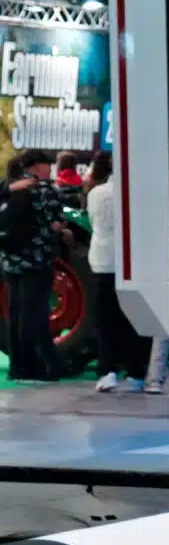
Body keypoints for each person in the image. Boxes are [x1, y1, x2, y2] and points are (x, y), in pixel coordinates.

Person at [87, 154, 151, 392]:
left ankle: (107, 371)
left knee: (106, 321)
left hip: (104, 262)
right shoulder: (142, 194)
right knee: (136, 320)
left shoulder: (96, 193)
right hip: (135, 263)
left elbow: (93, 222)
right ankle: (136, 373)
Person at [2, 149, 66, 382]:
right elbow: (54, 223)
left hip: (11, 259)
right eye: (47, 165)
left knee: (15, 312)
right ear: (37, 166)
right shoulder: (45, 190)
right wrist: (61, 228)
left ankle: (18, 366)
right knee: (35, 313)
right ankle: (38, 366)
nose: (50, 169)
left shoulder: (10, 187)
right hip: (37, 259)